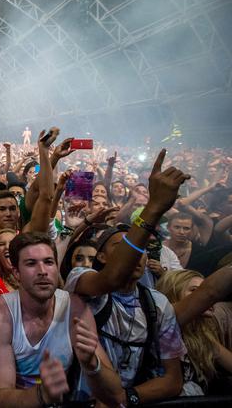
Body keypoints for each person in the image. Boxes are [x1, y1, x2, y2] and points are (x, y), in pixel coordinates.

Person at [64, 149, 190, 405]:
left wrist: (126, 398)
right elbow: (110, 279)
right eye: (119, 248)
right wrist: (153, 208)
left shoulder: (158, 304)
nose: (135, 255)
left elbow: (172, 379)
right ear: (101, 257)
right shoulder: (82, 279)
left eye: (139, 249)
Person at [0, 232, 123, 407]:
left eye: (48, 262)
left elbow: (116, 396)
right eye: (31, 264)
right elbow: (1, 398)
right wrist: (41, 394)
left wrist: (92, 365)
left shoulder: (74, 308)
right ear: (16, 272)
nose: (42, 271)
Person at [156, 269, 232, 395]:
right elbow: (211, 292)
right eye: (194, 291)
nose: (206, 299)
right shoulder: (164, 322)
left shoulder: (202, 336)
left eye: (202, 292)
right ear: (173, 293)